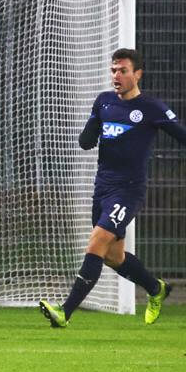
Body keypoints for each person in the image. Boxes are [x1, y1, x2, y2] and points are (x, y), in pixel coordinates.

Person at [39, 48, 183, 327]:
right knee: (112, 257)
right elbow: (86, 140)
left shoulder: (151, 108)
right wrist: (89, 132)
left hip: (128, 190)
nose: (116, 76)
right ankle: (156, 288)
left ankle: (64, 312)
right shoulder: (103, 102)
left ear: (137, 74)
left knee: (96, 242)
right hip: (102, 188)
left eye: (123, 71)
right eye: (113, 70)